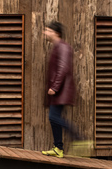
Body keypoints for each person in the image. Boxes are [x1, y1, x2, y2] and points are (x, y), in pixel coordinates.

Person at [41, 20, 82, 158]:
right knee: (54, 118)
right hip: (59, 90)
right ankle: (58, 147)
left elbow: (63, 68)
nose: (45, 33)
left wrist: (55, 87)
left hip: (61, 90)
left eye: (48, 30)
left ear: (56, 33)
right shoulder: (58, 46)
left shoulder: (63, 47)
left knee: (53, 117)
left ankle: (78, 137)